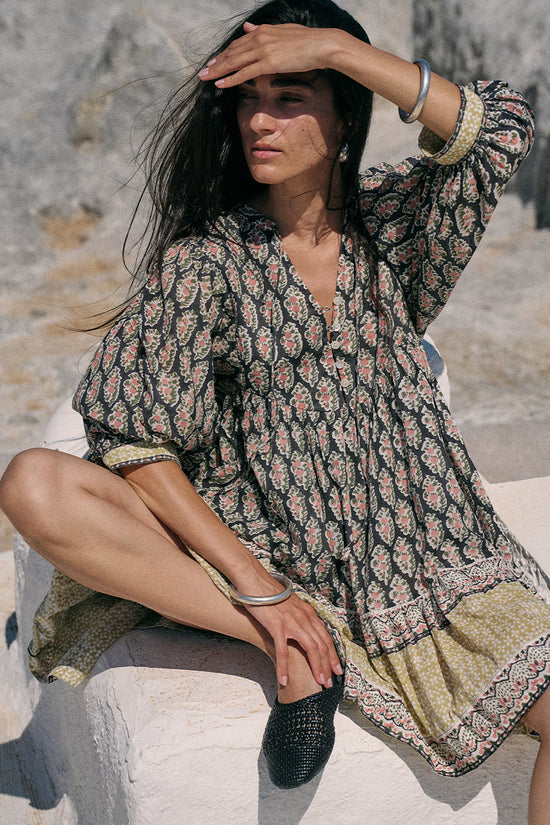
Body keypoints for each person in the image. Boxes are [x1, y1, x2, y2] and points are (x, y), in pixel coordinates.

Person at [1, 0, 549, 815]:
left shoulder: (394, 230)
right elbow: (135, 437)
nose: (261, 118)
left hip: (426, 564)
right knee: (34, 482)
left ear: (344, 117)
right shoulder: (204, 263)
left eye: (292, 96)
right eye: (249, 98)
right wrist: (263, 592)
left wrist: (339, 47)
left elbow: (500, 129)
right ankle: (291, 642)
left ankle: (310, 644)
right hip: (263, 553)